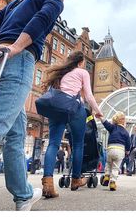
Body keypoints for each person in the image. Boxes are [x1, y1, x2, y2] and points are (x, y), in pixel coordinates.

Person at [0, 0, 69, 211]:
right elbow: (41, 21)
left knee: (15, 136)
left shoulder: (19, 1)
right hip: (17, 62)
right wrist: (15, 48)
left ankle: (23, 195)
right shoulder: (53, 0)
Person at [41, 51, 103, 197]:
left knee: (53, 144)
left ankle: (48, 185)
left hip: (56, 107)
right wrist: (98, 111)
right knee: (78, 145)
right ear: (81, 62)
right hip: (74, 109)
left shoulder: (60, 73)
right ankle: (75, 179)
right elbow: (88, 95)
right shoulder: (82, 72)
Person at [99, 112, 131, 191]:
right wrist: (127, 151)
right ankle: (112, 182)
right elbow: (128, 144)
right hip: (120, 150)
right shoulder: (126, 132)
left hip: (110, 148)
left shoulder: (113, 127)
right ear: (123, 121)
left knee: (108, 163)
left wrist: (101, 117)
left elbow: (106, 124)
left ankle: (106, 176)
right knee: (115, 167)